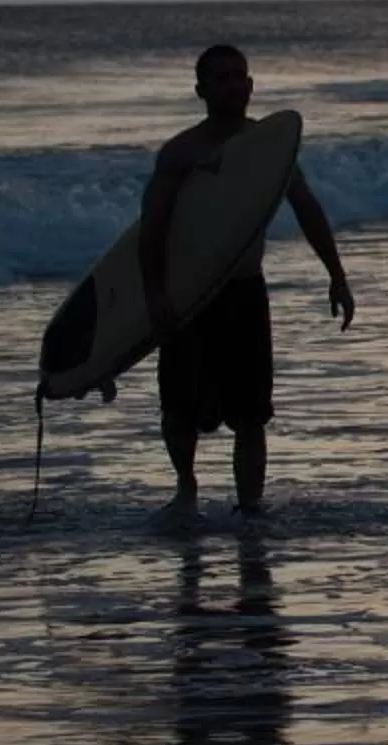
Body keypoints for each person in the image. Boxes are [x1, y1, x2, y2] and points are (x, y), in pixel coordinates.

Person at [141, 44, 354, 528]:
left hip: (245, 292)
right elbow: (151, 230)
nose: (233, 86)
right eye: (221, 78)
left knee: (252, 412)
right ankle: (186, 490)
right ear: (201, 90)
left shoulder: (269, 148)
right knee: (179, 407)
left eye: (240, 76)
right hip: (191, 296)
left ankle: (250, 508)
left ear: (252, 85)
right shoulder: (181, 154)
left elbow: (306, 206)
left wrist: (337, 275)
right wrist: (155, 297)